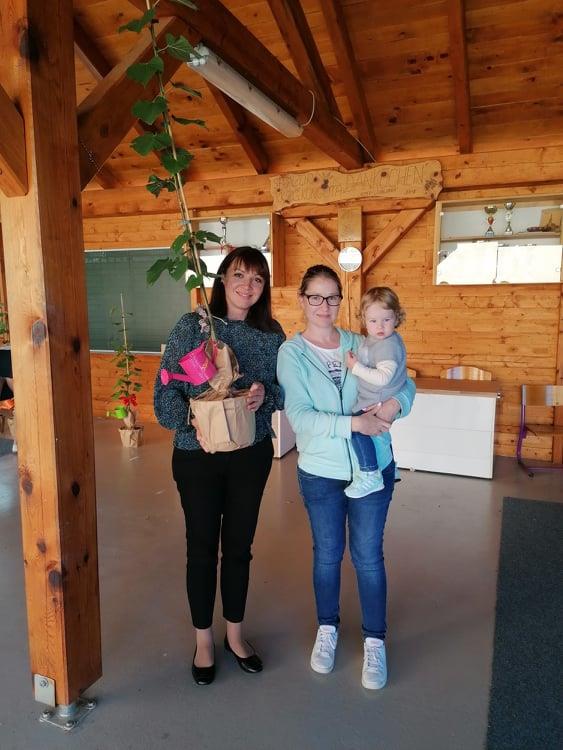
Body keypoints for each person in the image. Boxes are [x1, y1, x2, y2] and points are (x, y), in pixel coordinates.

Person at [276, 265, 415, 690]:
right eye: (315, 297)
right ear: (302, 300)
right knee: (327, 554)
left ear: (342, 300)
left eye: (332, 297)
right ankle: (327, 628)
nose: (324, 305)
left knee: (368, 556)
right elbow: (301, 417)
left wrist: (395, 406)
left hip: (373, 465)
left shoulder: (362, 340)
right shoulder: (292, 354)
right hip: (321, 472)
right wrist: (354, 424)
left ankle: (375, 640)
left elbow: (405, 383)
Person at [154, 246, 285, 686]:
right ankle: (204, 641)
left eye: (258, 279)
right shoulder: (193, 326)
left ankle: (235, 635)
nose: (248, 286)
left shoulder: (271, 334)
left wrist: (265, 394)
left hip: (251, 455)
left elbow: (285, 392)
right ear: (223, 278)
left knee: (240, 548)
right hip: (198, 456)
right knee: (201, 548)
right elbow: (164, 392)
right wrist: (193, 419)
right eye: (239, 275)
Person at [344, 287, 407, 498]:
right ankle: (391, 466)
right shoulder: (376, 339)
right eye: (373, 321)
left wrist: (355, 367)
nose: (380, 326)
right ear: (364, 319)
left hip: (377, 399)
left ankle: (370, 473)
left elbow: (383, 378)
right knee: (381, 435)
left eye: (386, 320)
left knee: (356, 430)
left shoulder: (387, 345)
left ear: (396, 317)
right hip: (377, 397)